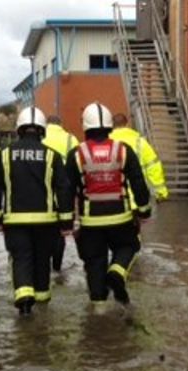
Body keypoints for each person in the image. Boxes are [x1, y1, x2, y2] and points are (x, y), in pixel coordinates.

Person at [0, 107, 73, 315]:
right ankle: (43, 303)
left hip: (15, 221)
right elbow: (64, 189)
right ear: (42, 130)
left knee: (21, 258)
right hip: (46, 221)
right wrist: (66, 223)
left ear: (20, 129)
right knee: (42, 259)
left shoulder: (4, 155)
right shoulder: (52, 156)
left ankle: (24, 301)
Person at [66, 102, 152, 304]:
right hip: (121, 219)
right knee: (129, 246)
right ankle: (117, 271)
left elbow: (67, 191)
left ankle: (98, 311)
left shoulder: (76, 154)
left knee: (94, 264)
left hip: (90, 223)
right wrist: (144, 211)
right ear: (109, 126)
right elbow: (138, 183)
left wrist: (67, 222)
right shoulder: (123, 150)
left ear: (85, 126)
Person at [42, 115, 79, 273]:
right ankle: (57, 268)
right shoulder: (71, 139)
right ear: (61, 124)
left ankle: (42, 265)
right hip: (64, 191)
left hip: (42, 190)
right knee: (61, 232)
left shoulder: (41, 136)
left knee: (41, 230)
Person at [110, 113, 170, 202]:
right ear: (127, 125)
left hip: (116, 198)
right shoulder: (140, 141)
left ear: (112, 126)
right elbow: (153, 166)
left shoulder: (106, 143)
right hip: (139, 196)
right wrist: (161, 192)